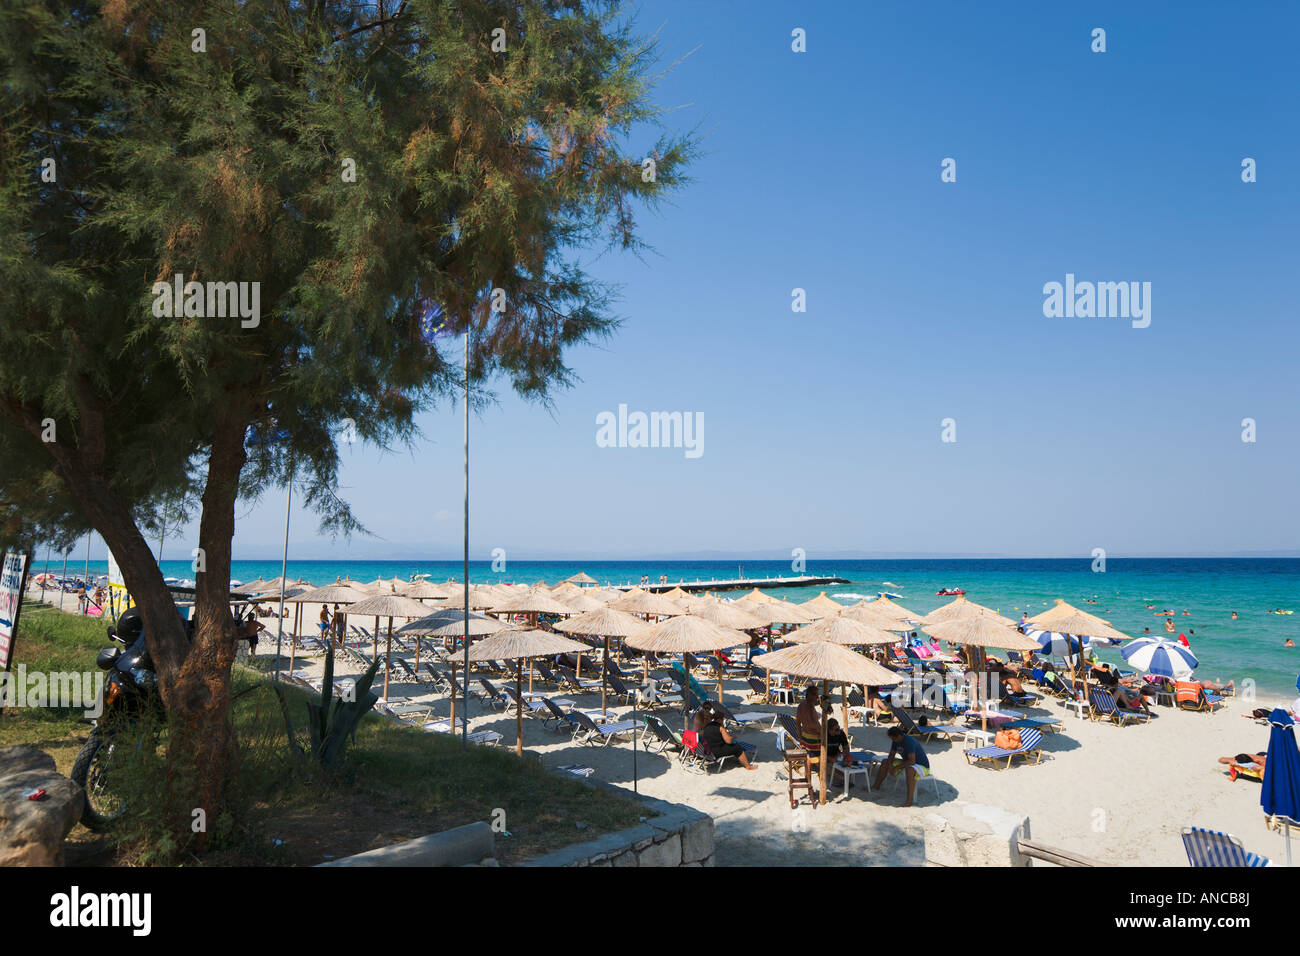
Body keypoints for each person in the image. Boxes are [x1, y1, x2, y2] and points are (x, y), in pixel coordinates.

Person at [873, 726, 930, 807]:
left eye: (893, 739)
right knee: (885, 762)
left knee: (910, 770)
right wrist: (890, 766)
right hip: (907, 761)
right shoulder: (895, 740)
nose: (893, 741)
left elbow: (912, 761)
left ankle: (909, 801)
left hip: (922, 765)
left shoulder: (909, 741)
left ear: (899, 736)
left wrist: (896, 767)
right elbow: (891, 755)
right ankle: (876, 786)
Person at [796, 684, 824, 751]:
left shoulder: (801, 705)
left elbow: (798, 723)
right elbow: (813, 724)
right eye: (815, 694)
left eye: (817, 695)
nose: (817, 697)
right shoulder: (810, 707)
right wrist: (822, 732)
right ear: (808, 695)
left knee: (809, 758)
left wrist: (800, 738)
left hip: (805, 737)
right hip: (813, 739)